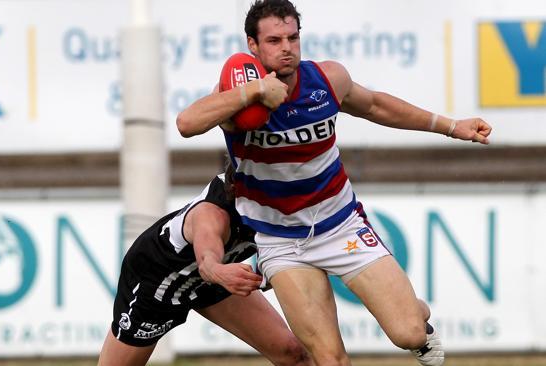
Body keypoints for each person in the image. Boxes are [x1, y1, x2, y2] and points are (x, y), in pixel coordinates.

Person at [176, 1, 492, 365]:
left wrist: (452, 126)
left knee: (408, 332)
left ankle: (416, 315)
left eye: (293, 38)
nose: (286, 48)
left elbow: (376, 106)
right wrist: (254, 93)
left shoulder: (327, 79)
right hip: (281, 242)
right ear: (253, 45)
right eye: (274, 40)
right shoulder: (238, 101)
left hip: (341, 226)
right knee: (329, 358)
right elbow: (186, 123)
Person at [97, 167, 311, 366]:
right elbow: (207, 263)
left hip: (213, 278)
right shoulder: (211, 214)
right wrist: (222, 272)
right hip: (159, 282)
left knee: (293, 353)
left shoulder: (279, 203)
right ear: (237, 190)